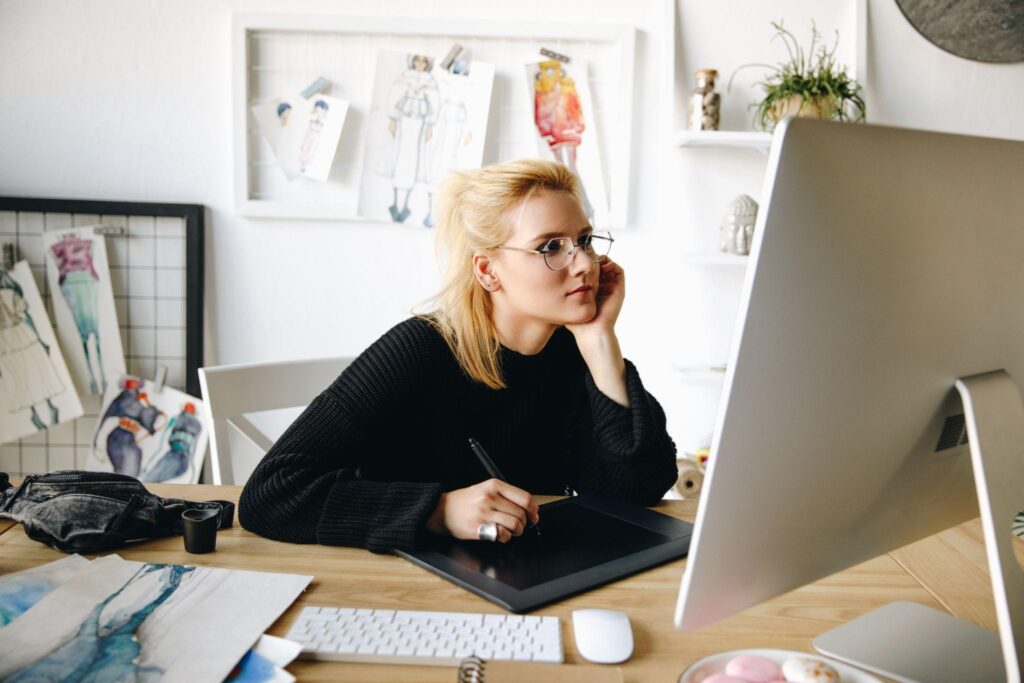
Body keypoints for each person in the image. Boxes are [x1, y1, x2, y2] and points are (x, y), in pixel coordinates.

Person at [239, 158, 678, 552]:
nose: (584, 263)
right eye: (551, 247)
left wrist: (600, 341)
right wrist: (438, 511)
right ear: (487, 271)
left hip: (527, 581)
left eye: (583, 240)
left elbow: (641, 487)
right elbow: (269, 494)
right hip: (405, 590)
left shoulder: (572, 353)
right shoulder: (418, 349)